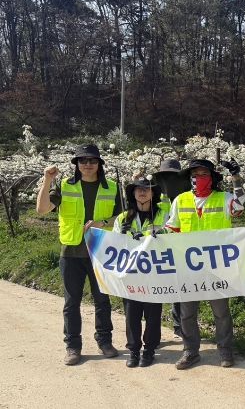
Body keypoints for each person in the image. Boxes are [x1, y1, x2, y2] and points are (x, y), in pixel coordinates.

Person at [36, 144, 122, 365]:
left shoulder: (112, 187)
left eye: (92, 160)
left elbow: (123, 217)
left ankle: (105, 341)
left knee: (102, 300)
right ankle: (73, 346)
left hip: (101, 253)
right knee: (71, 302)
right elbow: (42, 209)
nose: (87, 164)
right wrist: (47, 180)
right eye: (83, 160)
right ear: (76, 164)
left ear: (99, 164)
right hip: (71, 253)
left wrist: (103, 222)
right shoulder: (65, 185)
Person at [165, 158, 245, 370]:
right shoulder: (180, 200)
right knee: (187, 313)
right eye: (195, 175)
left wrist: (236, 178)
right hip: (188, 266)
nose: (199, 178)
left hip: (217, 267)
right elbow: (172, 229)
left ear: (212, 178)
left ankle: (225, 350)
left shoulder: (224, 198)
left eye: (204, 174)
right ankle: (190, 351)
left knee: (221, 312)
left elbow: (239, 207)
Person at [112, 177, 169, 368]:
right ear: (133, 193)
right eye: (138, 189)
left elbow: (172, 236)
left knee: (153, 314)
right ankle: (134, 350)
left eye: (147, 189)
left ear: (153, 193)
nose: (142, 192)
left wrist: (156, 236)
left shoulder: (164, 215)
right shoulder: (123, 218)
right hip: (131, 273)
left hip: (155, 272)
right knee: (132, 314)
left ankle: (150, 350)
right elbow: (113, 244)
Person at [152, 158, 190, 338]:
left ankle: (180, 325)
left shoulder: (187, 197)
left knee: (180, 288)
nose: (169, 180)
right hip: (159, 249)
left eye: (173, 176)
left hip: (182, 248)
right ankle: (155, 331)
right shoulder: (155, 197)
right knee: (158, 290)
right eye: (166, 176)